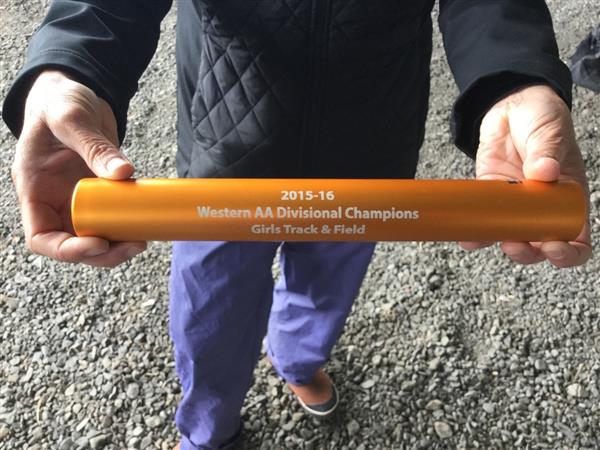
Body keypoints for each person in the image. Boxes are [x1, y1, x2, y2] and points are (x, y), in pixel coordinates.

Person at [3, 1, 592, 449]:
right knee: (211, 308)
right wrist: (70, 63)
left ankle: (297, 360)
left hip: (367, 156)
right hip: (223, 151)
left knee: (327, 285)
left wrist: (514, 76)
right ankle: (208, 424)